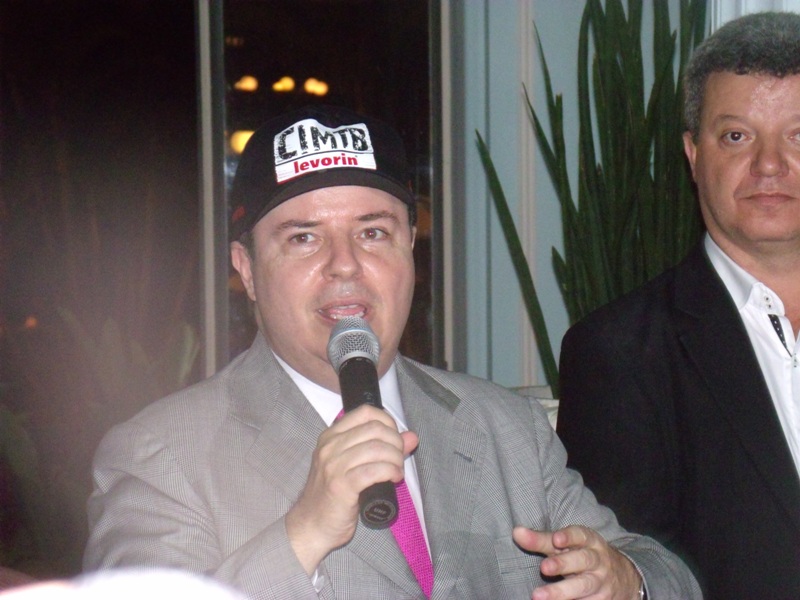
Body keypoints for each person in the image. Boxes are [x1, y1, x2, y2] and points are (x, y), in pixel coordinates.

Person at [83, 104, 699, 599]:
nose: (345, 265)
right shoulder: (160, 457)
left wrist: (625, 580)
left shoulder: (504, 426)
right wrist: (302, 533)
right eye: (303, 238)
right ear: (246, 269)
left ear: (410, 248)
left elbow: (671, 577)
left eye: (373, 232)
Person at [556, 11, 800, 600]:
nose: (770, 165)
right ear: (693, 154)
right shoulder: (618, 354)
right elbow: (632, 575)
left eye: (799, 135)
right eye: (736, 136)